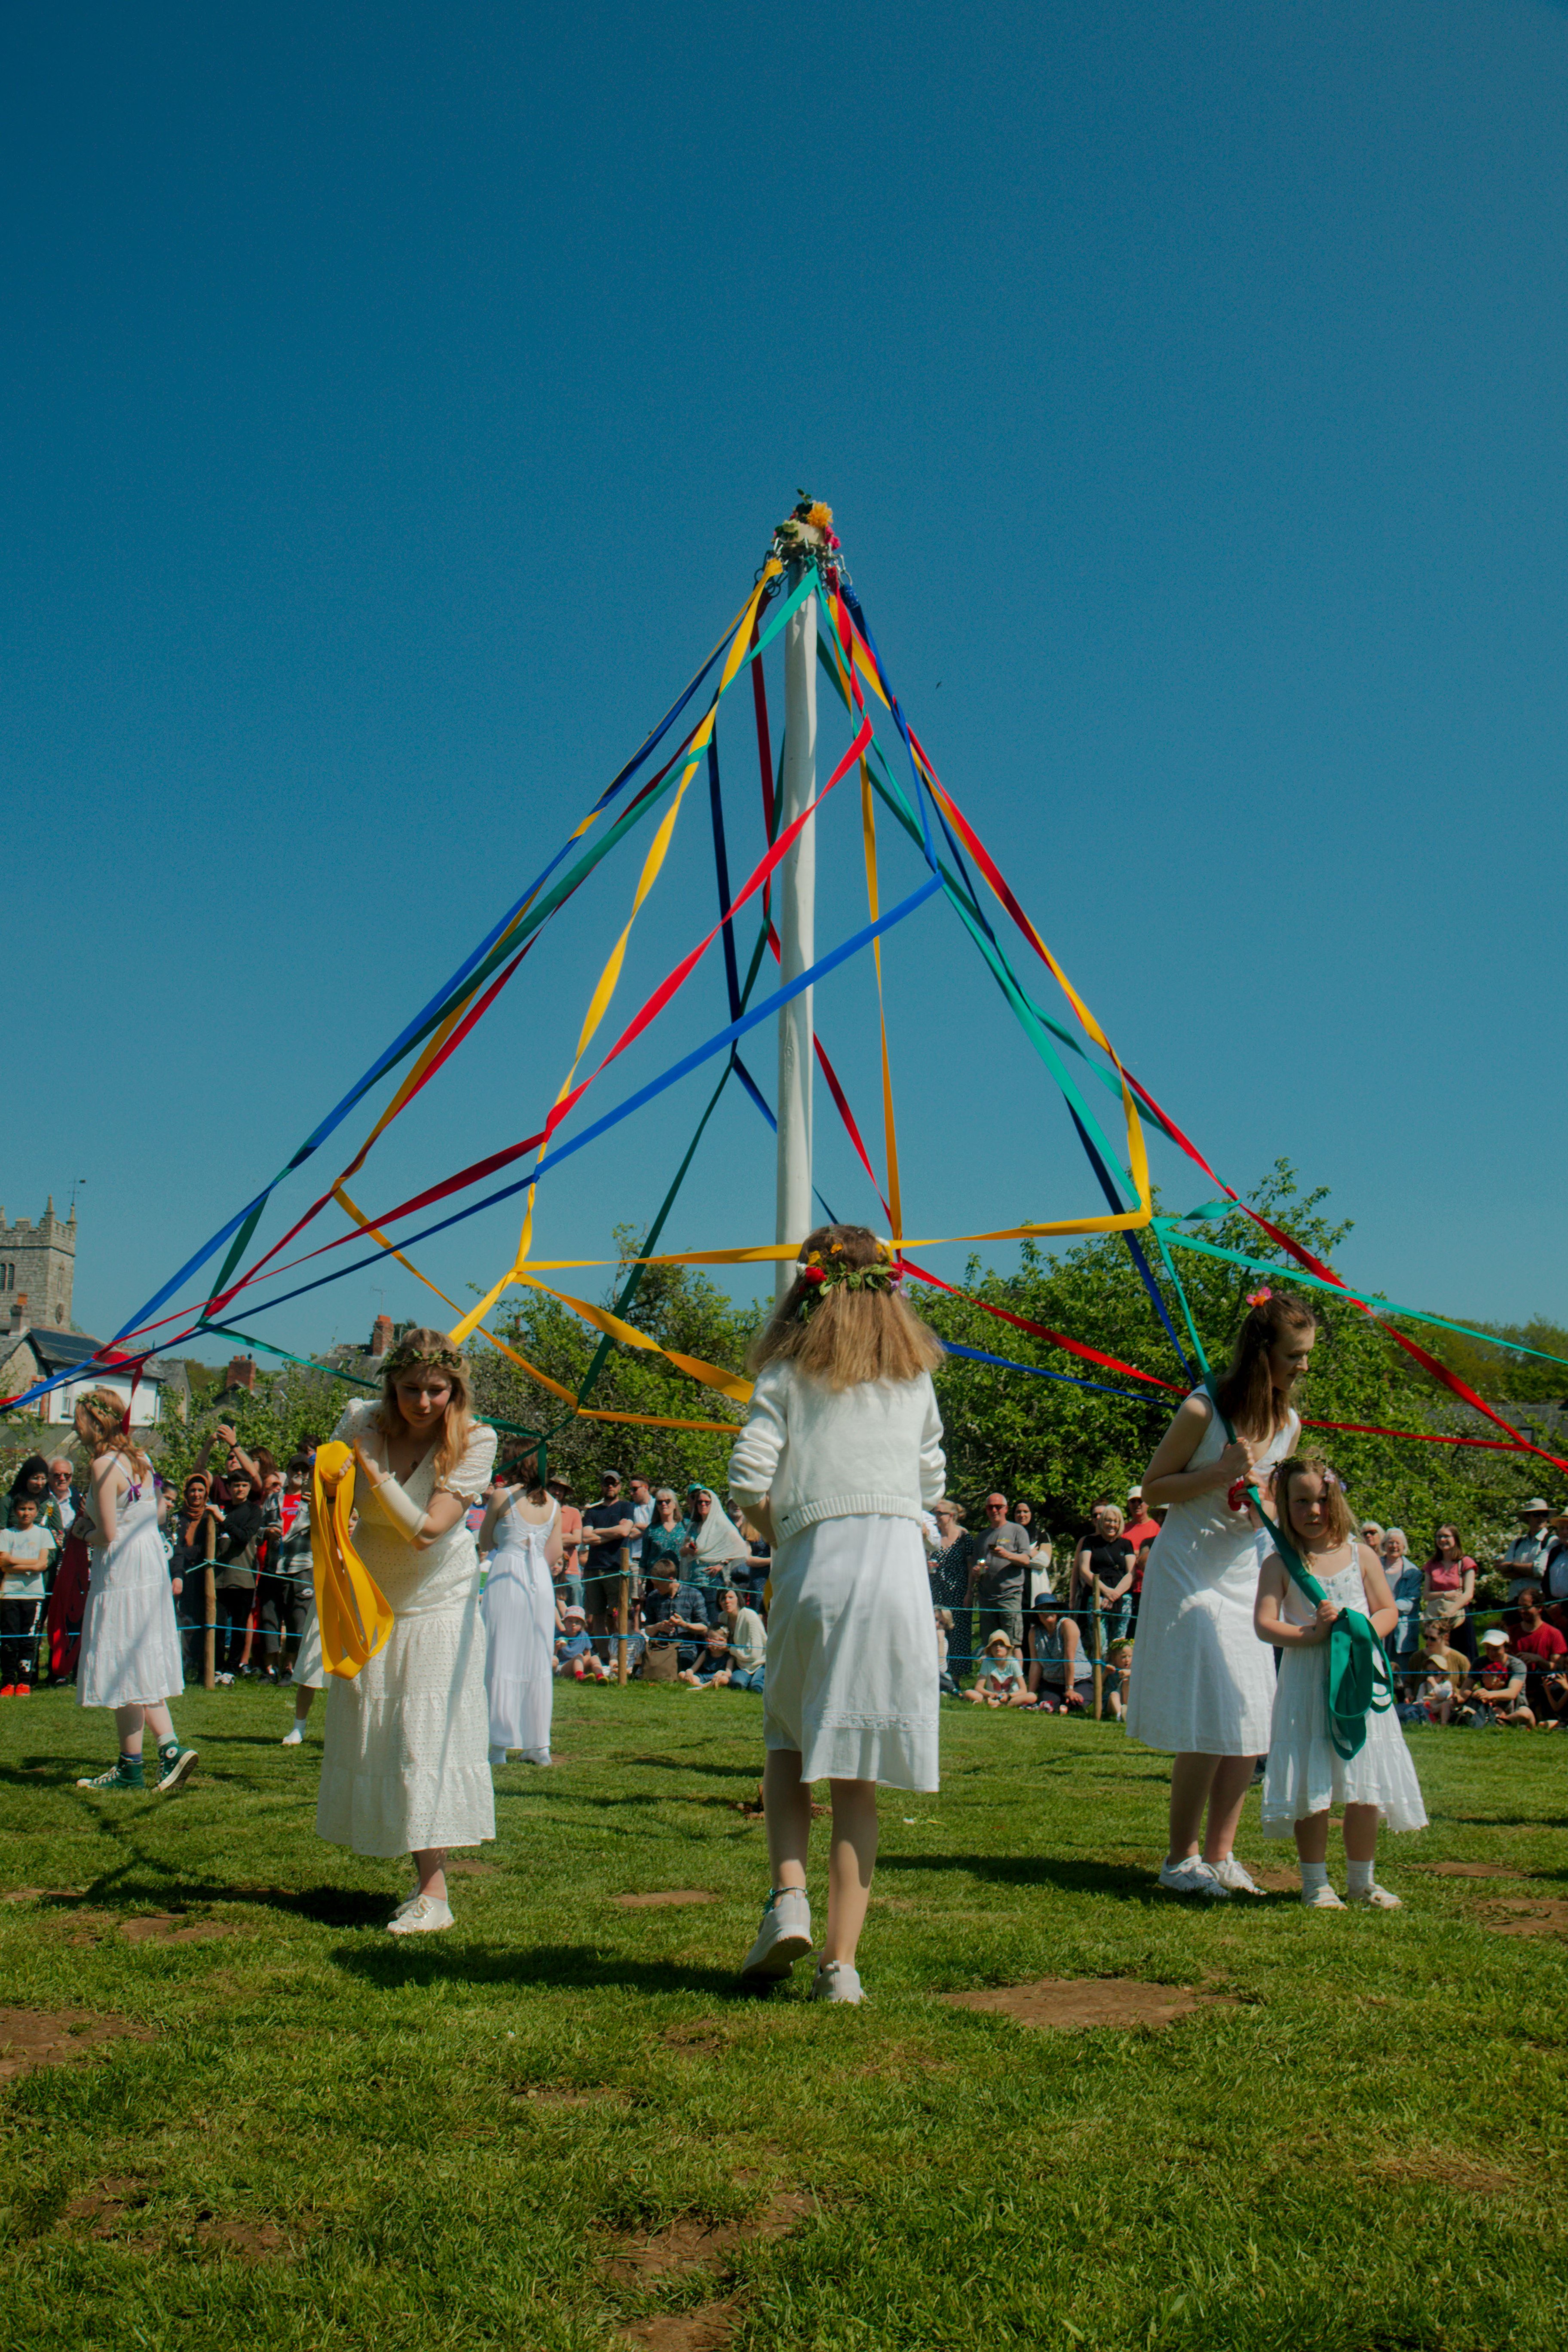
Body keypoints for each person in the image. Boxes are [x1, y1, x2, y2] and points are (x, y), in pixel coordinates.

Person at [727, 1223, 945, 2005]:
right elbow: (930, 1482)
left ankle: (788, 1898)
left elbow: (748, 1479)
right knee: (859, 1776)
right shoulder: (914, 1379)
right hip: (896, 1580)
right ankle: (840, 1967)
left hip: (816, 1567)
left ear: (806, 1286)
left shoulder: (787, 1372)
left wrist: (783, 1532)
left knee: (787, 1740)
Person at [1128, 1289, 1317, 1900]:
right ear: (1262, 1353)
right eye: (1295, 1355)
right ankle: (1180, 1859)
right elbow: (1154, 1490)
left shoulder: (1287, 1424)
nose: (1304, 1367)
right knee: (1211, 1714)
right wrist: (1219, 1473)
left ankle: (1222, 1854)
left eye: (1308, 1356)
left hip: (1244, 1573)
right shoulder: (1203, 1411)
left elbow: (1269, 1505)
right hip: (1189, 1571)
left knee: (1250, 1715)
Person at [313, 1329, 498, 1934]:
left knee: (424, 1733)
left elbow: (427, 1530)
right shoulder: (359, 1420)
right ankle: (413, 1875)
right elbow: (329, 1497)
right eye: (410, 1389)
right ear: (391, 1385)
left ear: (456, 1390)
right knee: (382, 1732)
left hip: (440, 1597)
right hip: (373, 1595)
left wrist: (373, 1466)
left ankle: (435, 1895)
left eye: (437, 1390)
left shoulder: (474, 1440)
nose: (423, 1402)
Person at [1255, 1454, 1425, 1907]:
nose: (1314, 1511)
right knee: (1314, 1784)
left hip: (1359, 1676)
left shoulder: (1361, 1555)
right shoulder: (1280, 1564)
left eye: (1323, 1500)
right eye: (1301, 1501)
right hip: (1308, 1681)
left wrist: (1359, 1626)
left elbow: (1387, 1610)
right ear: (1285, 1505)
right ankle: (1315, 1882)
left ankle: (1361, 1880)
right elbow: (1264, 1625)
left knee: (1363, 1783)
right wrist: (1312, 1633)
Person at [69, 1388, 198, 1793]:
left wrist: (81, 1531)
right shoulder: (142, 1459)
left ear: (96, 1421)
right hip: (149, 1562)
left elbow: (106, 1533)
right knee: (137, 1657)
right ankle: (155, 1755)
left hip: (123, 1567)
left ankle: (145, 1761)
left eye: (79, 1419)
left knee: (124, 1657)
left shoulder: (103, 1466)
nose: (76, 1426)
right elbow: (160, 1510)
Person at [478, 1452, 560, 1765]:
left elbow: (486, 1540)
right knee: (536, 1656)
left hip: (508, 1572)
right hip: (539, 1579)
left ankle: (498, 1745)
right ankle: (538, 1745)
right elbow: (552, 1554)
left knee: (500, 1653)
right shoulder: (553, 1504)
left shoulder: (501, 1495)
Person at [0, 1493, 57, 1694]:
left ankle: (24, 1681)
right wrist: (29, 1565)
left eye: (31, 1509)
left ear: (37, 1512)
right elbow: (2, 1563)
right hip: (10, 1594)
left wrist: (14, 1563)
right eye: (22, 1509)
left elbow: (43, 1564)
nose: (26, 1513)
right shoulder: (6, 1534)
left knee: (29, 1638)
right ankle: (8, 1681)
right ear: (16, 1511)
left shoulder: (44, 1534)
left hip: (34, 1595)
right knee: (9, 1639)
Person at [210, 1472, 263, 1679]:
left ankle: (232, 1669)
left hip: (243, 1578)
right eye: (235, 1485)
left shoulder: (253, 1511)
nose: (239, 1489)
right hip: (218, 1578)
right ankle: (216, 1667)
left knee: (239, 1627)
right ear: (229, 1487)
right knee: (219, 1626)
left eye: (244, 1485)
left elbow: (243, 1537)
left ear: (249, 1488)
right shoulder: (222, 1507)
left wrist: (222, 1520)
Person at [580, 1469, 635, 1662]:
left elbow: (624, 1531)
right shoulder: (592, 1511)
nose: (610, 1486)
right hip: (593, 1569)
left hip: (617, 1568)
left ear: (620, 1486)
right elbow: (586, 1537)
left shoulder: (627, 1507)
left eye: (614, 1483)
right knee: (597, 1617)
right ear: (602, 1486)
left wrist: (600, 1532)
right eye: (606, 1483)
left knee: (618, 1615)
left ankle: (619, 1658)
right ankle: (604, 1657)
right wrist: (614, 1532)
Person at [968, 1494, 1032, 1657]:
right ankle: (993, 1682)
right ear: (987, 1510)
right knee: (989, 1645)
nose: (995, 1510)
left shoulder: (1017, 1531)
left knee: (1013, 1644)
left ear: (1006, 1509)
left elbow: (1026, 1559)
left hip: (1009, 1596)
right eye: (991, 1507)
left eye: (998, 1507)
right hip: (987, 1597)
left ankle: (1016, 1682)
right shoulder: (982, 1536)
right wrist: (979, 1570)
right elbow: (982, 1561)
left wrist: (1007, 1555)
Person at [925, 1500, 979, 1684]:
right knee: (935, 1633)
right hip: (936, 1592)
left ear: (952, 1516)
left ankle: (955, 1680)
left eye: (940, 1513)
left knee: (959, 1635)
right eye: (935, 1513)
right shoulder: (934, 1537)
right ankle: (936, 1678)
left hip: (958, 1592)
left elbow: (971, 1566)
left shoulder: (965, 1537)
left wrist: (970, 1593)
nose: (936, 1517)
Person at [681, 1485, 751, 1620]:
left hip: (712, 1582)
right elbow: (682, 1551)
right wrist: (688, 1549)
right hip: (693, 1581)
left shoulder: (721, 1525)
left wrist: (722, 1564)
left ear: (713, 1504)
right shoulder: (694, 1526)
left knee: (713, 1621)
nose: (703, 1505)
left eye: (707, 1502)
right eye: (700, 1502)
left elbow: (740, 1548)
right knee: (696, 1621)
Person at [1074, 1502, 1135, 1654]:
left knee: (1119, 1648)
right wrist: (1106, 1592)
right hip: (1097, 1598)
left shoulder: (1126, 1544)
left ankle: (1117, 1678)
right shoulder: (1090, 1542)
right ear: (1102, 1522)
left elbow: (1131, 1573)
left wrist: (1114, 1595)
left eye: (1116, 1521)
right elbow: (1084, 1570)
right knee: (1100, 1647)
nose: (1112, 1525)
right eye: (1108, 1520)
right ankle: (1100, 1677)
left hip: (1122, 1599)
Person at [1507, 1588, 1568, 1724]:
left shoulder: (1553, 1634)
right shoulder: (1512, 1632)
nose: (1522, 1611)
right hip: (1517, 1686)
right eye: (1520, 1607)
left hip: (1544, 1689)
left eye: (1526, 1607)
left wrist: (1539, 1660)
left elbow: (1558, 1668)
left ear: (1539, 1608)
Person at [1422, 1527, 1478, 1668]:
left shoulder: (1465, 1563)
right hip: (1437, 1617)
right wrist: (1445, 1594)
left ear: (1455, 1539)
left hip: (1459, 1617)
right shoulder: (1432, 1565)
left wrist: (1450, 1612)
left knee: (1463, 1656)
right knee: (1438, 1655)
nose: (1442, 1540)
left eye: (1446, 1536)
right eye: (1439, 1536)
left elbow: (1468, 1594)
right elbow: (1427, 1595)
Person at [641, 1565, 710, 1672]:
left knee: (679, 1672)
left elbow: (704, 1628)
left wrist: (684, 1625)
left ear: (670, 1580)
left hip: (685, 1648)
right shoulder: (653, 1597)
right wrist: (658, 1627)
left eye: (658, 1584)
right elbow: (648, 1631)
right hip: (660, 1647)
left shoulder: (694, 1595)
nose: (655, 1588)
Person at [1459, 1629, 1533, 1727]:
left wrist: (1489, 1694)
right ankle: (1495, 1723)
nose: (1491, 1653)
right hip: (1490, 1708)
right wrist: (1459, 1698)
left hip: (1515, 1708)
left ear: (1506, 1648)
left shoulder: (1517, 1665)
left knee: (1525, 1713)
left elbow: (1512, 1693)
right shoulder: (1479, 1662)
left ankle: (1497, 1723)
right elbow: (1467, 1687)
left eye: (1496, 1649)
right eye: (1488, 1649)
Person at [1380, 1529, 1424, 1686]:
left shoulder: (1413, 1572)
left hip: (1402, 1628)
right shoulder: (1375, 1566)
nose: (1394, 1546)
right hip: (1379, 1624)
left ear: (1404, 1547)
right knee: (1379, 1669)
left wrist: (1383, 1606)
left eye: (1398, 1543)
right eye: (1390, 1542)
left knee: (1403, 1676)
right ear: (1384, 1545)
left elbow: (1410, 1603)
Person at [1029, 1603, 1089, 1711]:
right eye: (1042, 1610)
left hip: (1079, 1680)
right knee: (1047, 1706)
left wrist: (1070, 1689)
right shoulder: (1034, 1632)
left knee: (1076, 1705)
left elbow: (1069, 1660)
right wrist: (1030, 1695)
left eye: (1050, 1609)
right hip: (1052, 1683)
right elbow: (1035, 1664)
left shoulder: (1067, 1625)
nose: (1046, 1613)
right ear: (1037, 1614)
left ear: (1057, 1611)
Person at [1501, 1501, 1556, 1604]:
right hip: (1514, 1600)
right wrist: (1529, 1570)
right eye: (1536, 1514)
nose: (1540, 1518)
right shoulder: (1517, 1543)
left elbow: (1539, 1570)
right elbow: (1505, 1572)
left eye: (1544, 1514)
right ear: (1528, 1517)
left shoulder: (1551, 1541)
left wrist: (1512, 1566)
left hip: (1538, 1602)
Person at [716, 1583, 767, 1690]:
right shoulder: (722, 1618)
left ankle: (758, 1680)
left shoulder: (750, 1616)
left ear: (738, 1599)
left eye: (731, 1597)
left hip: (760, 1662)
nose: (727, 1602)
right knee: (737, 1684)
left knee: (757, 1688)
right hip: (741, 1664)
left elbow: (755, 1654)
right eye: (723, 1599)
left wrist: (729, 1648)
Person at [962, 1631, 1032, 1708]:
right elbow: (979, 1688)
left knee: (1032, 1696)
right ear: (990, 1649)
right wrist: (991, 1694)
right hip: (991, 1696)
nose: (998, 1647)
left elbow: (1023, 1690)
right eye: (995, 1645)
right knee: (968, 1693)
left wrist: (1009, 1696)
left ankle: (999, 1704)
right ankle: (993, 1702)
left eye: (1002, 1644)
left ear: (1007, 1648)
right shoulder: (987, 1662)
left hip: (1010, 1697)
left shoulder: (1013, 1662)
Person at [1123, 1487, 1161, 1556]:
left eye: (1140, 1501)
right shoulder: (1123, 1530)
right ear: (1129, 1504)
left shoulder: (1157, 1528)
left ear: (1148, 1503)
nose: (1137, 1504)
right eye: (1133, 1501)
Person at [46, 1457, 80, 1532]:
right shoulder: (42, 1499)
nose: (62, 1478)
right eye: (58, 1475)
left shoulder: (78, 1499)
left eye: (67, 1475)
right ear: (48, 1476)